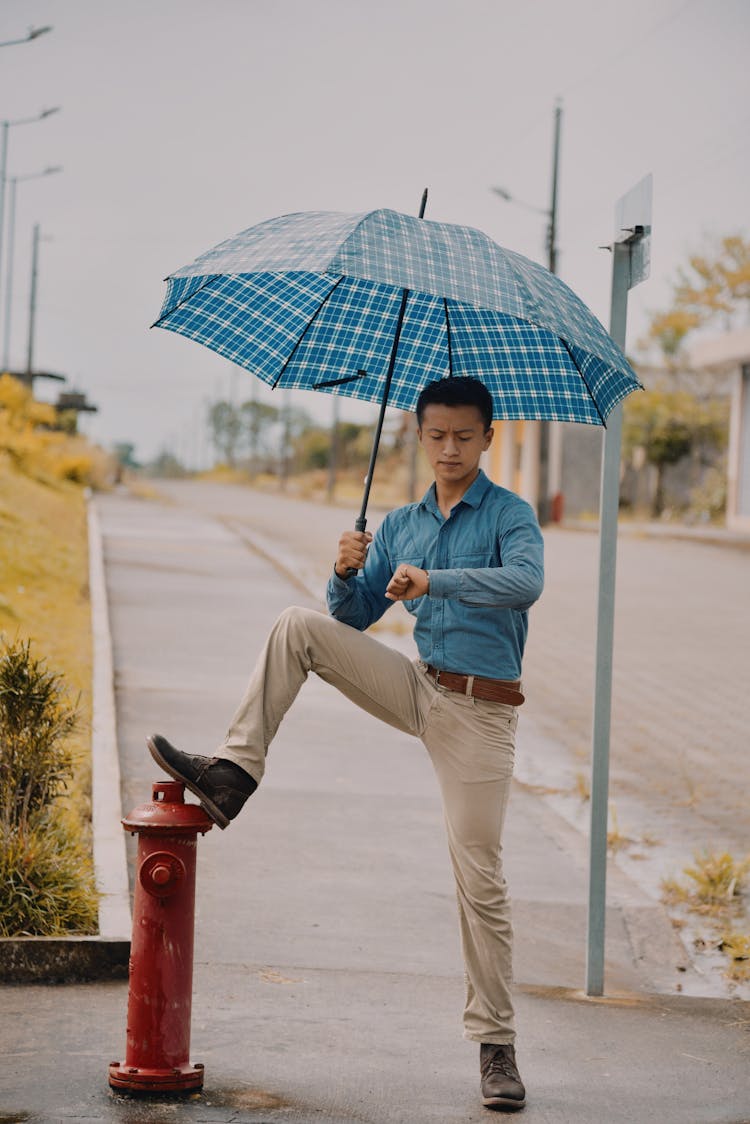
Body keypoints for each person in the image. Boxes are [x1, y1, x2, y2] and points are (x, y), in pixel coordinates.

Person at [148, 375, 544, 1113]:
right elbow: (354, 620)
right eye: (437, 435)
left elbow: (525, 583)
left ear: (488, 438)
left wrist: (435, 581)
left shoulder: (511, 516)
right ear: (417, 437)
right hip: (418, 686)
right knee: (299, 625)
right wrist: (343, 573)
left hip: (481, 714)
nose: (450, 448)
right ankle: (234, 771)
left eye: (464, 435)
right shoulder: (400, 521)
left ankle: (496, 1046)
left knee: (478, 875)